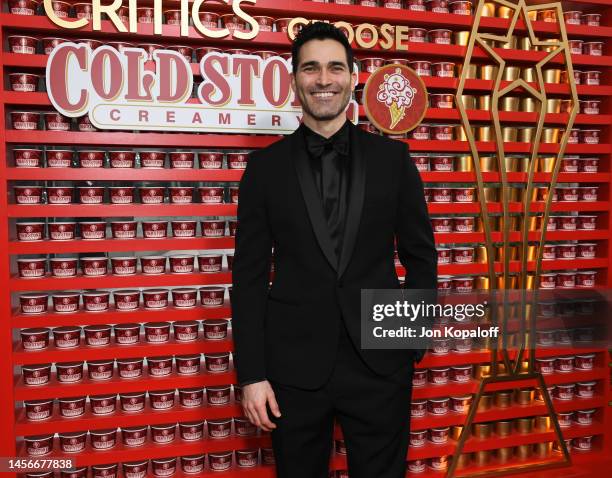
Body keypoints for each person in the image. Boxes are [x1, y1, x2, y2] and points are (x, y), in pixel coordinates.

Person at [231, 21, 437, 478]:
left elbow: (422, 257)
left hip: (381, 365)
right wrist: (252, 374)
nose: (323, 79)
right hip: (292, 371)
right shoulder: (264, 169)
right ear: (294, 81)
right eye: (311, 68)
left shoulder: (394, 161)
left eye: (334, 68)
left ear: (353, 76)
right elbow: (247, 278)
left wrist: (412, 340)